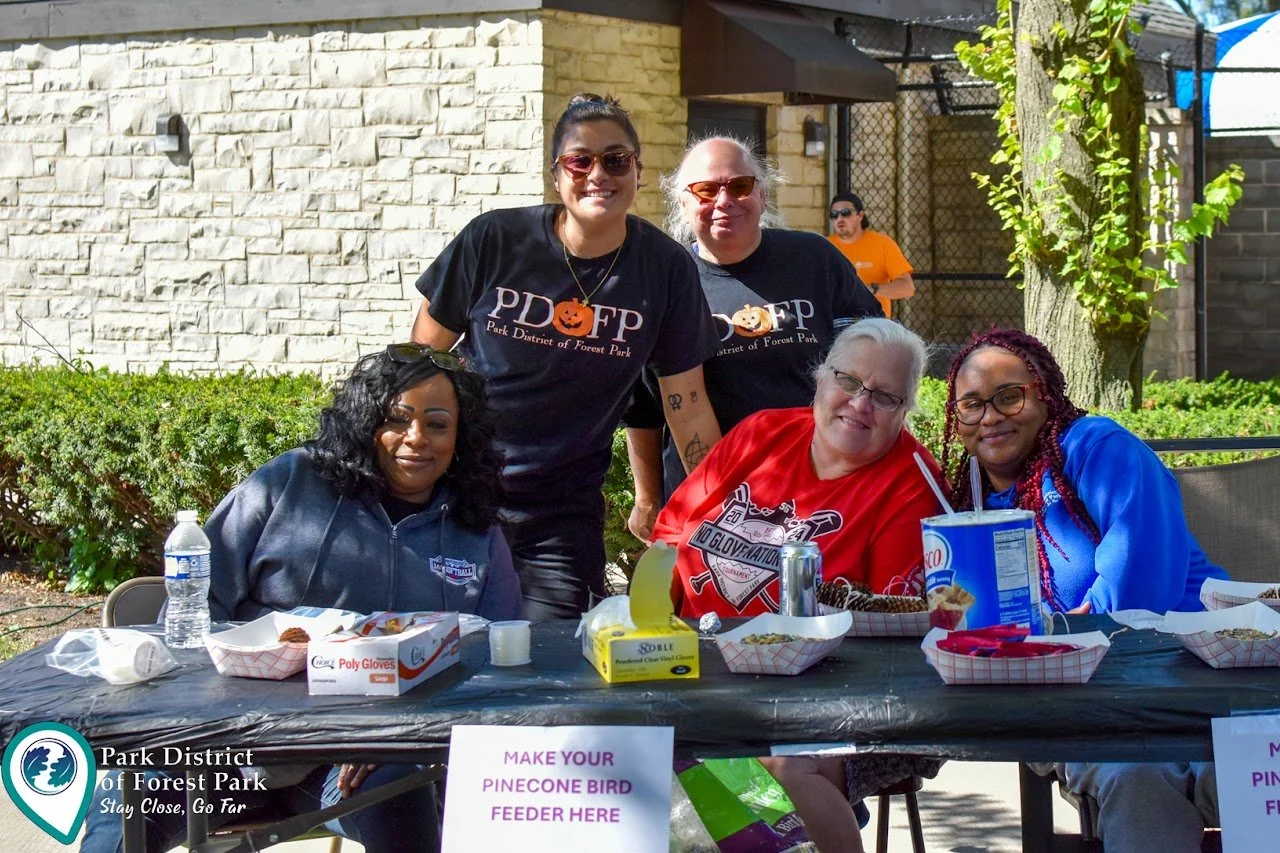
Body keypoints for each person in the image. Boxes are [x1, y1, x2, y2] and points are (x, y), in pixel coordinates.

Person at [81, 344, 522, 853]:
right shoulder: (289, 483)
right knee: (126, 799)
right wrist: (226, 722)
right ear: (365, 422)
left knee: (406, 796)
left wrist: (401, 738)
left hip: (352, 765)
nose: (416, 438)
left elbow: (493, 668)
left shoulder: (476, 533)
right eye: (396, 418)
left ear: (461, 438)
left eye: (438, 424)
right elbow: (194, 612)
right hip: (227, 753)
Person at [410, 94, 721, 620]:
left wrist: (718, 515)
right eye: (581, 160)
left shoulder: (665, 269)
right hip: (455, 494)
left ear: (638, 172)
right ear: (558, 175)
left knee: (551, 665)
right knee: (442, 645)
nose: (598, 173)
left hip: (559, 515)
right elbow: (418, 363)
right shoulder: (495, 240)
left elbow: (686, 405)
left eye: (616, 160)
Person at [652, 318, 944, 853]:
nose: (859, 404)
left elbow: (891, 629)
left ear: (905, 411)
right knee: (617, 749)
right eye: (849, 382)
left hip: (826, 691)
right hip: (697, 669)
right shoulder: (762, 432)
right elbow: (669, 541)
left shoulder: (909, 483)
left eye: (884, 396)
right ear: (820, 380)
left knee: (779, 770)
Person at [942, 327, 1227, 853]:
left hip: (1197, 679)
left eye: (1010, 395)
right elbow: (970, 620)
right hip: (1077, 706)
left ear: (1044, 394)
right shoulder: (963, 503)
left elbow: (1139, 590)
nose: (991, 416)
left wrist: (1059, 629)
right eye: (972, 404)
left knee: (1241, 769)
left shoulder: (1096, 448)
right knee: (1138, 773)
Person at [624, 137, 882, 539]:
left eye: (740, 186)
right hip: (708, 498)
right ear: (683, 202)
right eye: (706, 190)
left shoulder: (814, 258)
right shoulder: (667, 282)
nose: (725, 201)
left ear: (762, 194)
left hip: (817, 493)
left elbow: (874, 357)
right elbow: (643, 409)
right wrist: (647, 501)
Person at [827, 193, 914, 319]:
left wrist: (870, 289)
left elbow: (907, 287)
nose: (839, 218)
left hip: (874, 324)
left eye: (845, 213)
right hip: (837, 322)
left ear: (860, 215)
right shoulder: (825, 246)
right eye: (834, 215)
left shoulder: (882, 243)